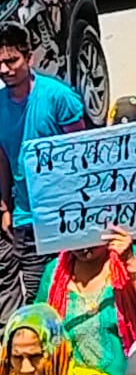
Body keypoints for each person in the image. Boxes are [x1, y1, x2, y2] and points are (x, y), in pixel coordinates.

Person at [0, 22, 85, 333]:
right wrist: (5, 206)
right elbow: (3, 159)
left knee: (66, 297)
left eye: (12, 61)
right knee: (37, 296)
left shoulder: (59, 97)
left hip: (63, 217)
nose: (5, 70)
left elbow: (81, 154)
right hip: (25, 218)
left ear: (29, 58)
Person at [35, 226, 136, 375]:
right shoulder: (54, 272)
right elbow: (40, 327)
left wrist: (130, 261)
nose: (83, 242)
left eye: (89, 229)